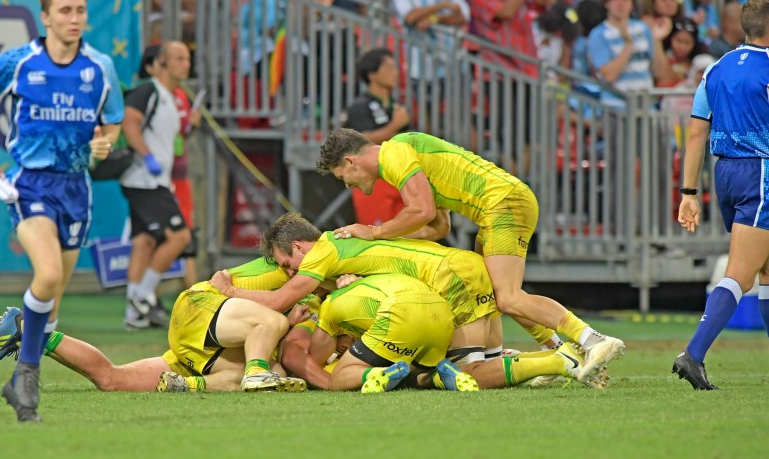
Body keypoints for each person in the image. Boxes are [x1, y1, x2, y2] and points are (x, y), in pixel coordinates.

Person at [315, 129, 626, 379]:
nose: (349, 186)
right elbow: (437, 226)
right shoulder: (404, 152)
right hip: (501, 204)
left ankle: (592, 340)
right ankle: (559, 347)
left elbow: (421, 211)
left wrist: (374, 232)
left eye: (344, 177)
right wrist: (380, 242)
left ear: (350, 161)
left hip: (502, 204)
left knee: (507, 297)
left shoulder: (394, 152)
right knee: (494, 289)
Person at [211, 213, 607, 388]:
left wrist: (229, 291)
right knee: (489, 359)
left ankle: (564, 358)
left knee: (468, 374)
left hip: (448, 280)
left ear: (299, 246)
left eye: (288, 263)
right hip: (460, 266)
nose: (292, 272)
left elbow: (281, 299)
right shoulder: (345, 247)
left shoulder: (323, 252)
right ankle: (564, 351)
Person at [0, 0, 125, 422]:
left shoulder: (100, 68)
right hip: (31, 184)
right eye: (65, 11)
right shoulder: (19, 62)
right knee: (50, 274)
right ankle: (27, 380)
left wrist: (104, 144)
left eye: (79, 11)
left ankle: (21, 334)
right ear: (45, 17)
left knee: (51, 311)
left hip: (76, 190)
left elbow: (111, 124)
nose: (74, 19)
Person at [0, 258, 310, 393]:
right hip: (202, 319)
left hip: (211, 352)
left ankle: (31, 333)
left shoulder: (311, 283)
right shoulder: (298, 277)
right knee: (273, 331)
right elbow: (227, 284)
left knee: (112, 380)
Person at [673, 0, 769, 390]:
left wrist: (688, 192)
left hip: (725, 172)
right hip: (762, 171)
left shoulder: (716, 68)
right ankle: (692, 355)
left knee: (766, 271)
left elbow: (697, 131)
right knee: (741, 275)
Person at [119, 41, 193, 330]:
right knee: (180, 237)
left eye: (187, 58)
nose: (185, 64)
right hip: (144, 180)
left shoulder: (172, 97)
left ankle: (132, 313)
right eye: (178, 58)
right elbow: (128, 121)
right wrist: (147, 156)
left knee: (144, 242)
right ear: (161, 63)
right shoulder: (148, 90)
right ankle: (143, 295)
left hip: (155, 179)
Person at [308, 274, 478, 393]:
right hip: (441, 310)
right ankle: (440, 377)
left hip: (400, 312)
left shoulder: (329, 305)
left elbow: (315, 361)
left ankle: (379, 373)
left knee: (338, 379)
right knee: (416, 375)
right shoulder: (373, 280)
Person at [343, 48, 409, 227]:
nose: (395, 72)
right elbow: (361, 141)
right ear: (372, 74)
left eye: (395, 67)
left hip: (400, 175)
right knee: (379, 236)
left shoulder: (398, 105)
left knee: (408, 234)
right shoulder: (360, 106)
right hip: (374, 179)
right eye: (388, 68)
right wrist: (394, 126)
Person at [588, 0, 671, 108]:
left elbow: (659, 72)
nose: (620, 4)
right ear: (606, 3)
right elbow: (609, 76)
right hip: (616, 108)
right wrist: (628, 45)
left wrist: (656, 40)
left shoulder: (643, 28)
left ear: (632, 3)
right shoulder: (598, 34)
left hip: (645, 106)